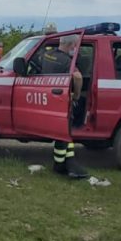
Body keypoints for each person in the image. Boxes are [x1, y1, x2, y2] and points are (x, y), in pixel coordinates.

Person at [39, 34, 88, 179]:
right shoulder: (68, 61)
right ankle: (59, 165)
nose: (75, 49)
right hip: (62, 99)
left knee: (66, 134)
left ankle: (69, 161)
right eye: (75, 46)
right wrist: (77, 95)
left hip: (48, 97)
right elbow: (78, 77)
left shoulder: (47, 55)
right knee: (64, 132)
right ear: (71, 45)